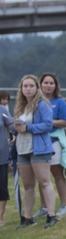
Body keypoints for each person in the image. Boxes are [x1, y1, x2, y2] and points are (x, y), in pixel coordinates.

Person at [12, 75, 58, 229]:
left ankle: (51, 215)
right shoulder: (20, 106)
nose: (28, 89)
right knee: (27, 185)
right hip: (22, 148)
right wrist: (14, 128)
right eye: (25, 86)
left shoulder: (42, 105)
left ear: (37, 88)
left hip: (39, 148)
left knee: (44, 181)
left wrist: (28, 128)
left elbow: (47, 125)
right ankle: (28, 217)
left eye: (31, 86)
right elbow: (17, 126)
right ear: (21, 89)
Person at [35, 72, 66, 218]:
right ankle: (44, 206)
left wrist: (50, 123)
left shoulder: (60, 103)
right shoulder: (36, 102)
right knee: (42, 176)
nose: (48, 86)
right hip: (39, 141)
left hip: (54, 140)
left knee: (57, 173)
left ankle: (64, 205)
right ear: (40, 85)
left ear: (55, 86)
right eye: (46, 83)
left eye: (51, 83)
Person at [0, 90, 13, 226]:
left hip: (1, 155)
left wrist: (13, 138)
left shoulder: (2, 109)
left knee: (1, 186)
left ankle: (0, 218)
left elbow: (11, 127)